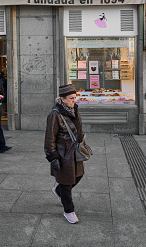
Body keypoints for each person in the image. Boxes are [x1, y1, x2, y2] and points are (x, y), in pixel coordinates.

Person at [44, 84, 85, 224]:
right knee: (67, 183)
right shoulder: (55, 115)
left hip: (75, 152)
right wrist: (53, 157)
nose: (74, 101)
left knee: (78, 176)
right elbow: (50, 138)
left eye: (75, 97)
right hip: (63, 154)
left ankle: (58, 190)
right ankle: (69, 211)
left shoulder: (74, 109)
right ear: (62, 99)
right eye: (71, 98)